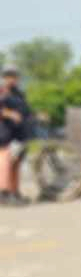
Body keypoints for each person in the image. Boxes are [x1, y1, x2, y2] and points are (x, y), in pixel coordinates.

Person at [0, 63, 32, 206]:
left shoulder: (19, 93)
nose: (11, 78)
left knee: (16, 163)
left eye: (13, 75)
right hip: (4, 132)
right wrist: (9, 113)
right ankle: (3, 193)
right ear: (4, 77)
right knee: (5, 159)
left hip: (19, 133)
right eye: (8, 75)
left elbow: (26, 110)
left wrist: (37, 116)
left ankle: (15, 192)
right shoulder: (2, 91)